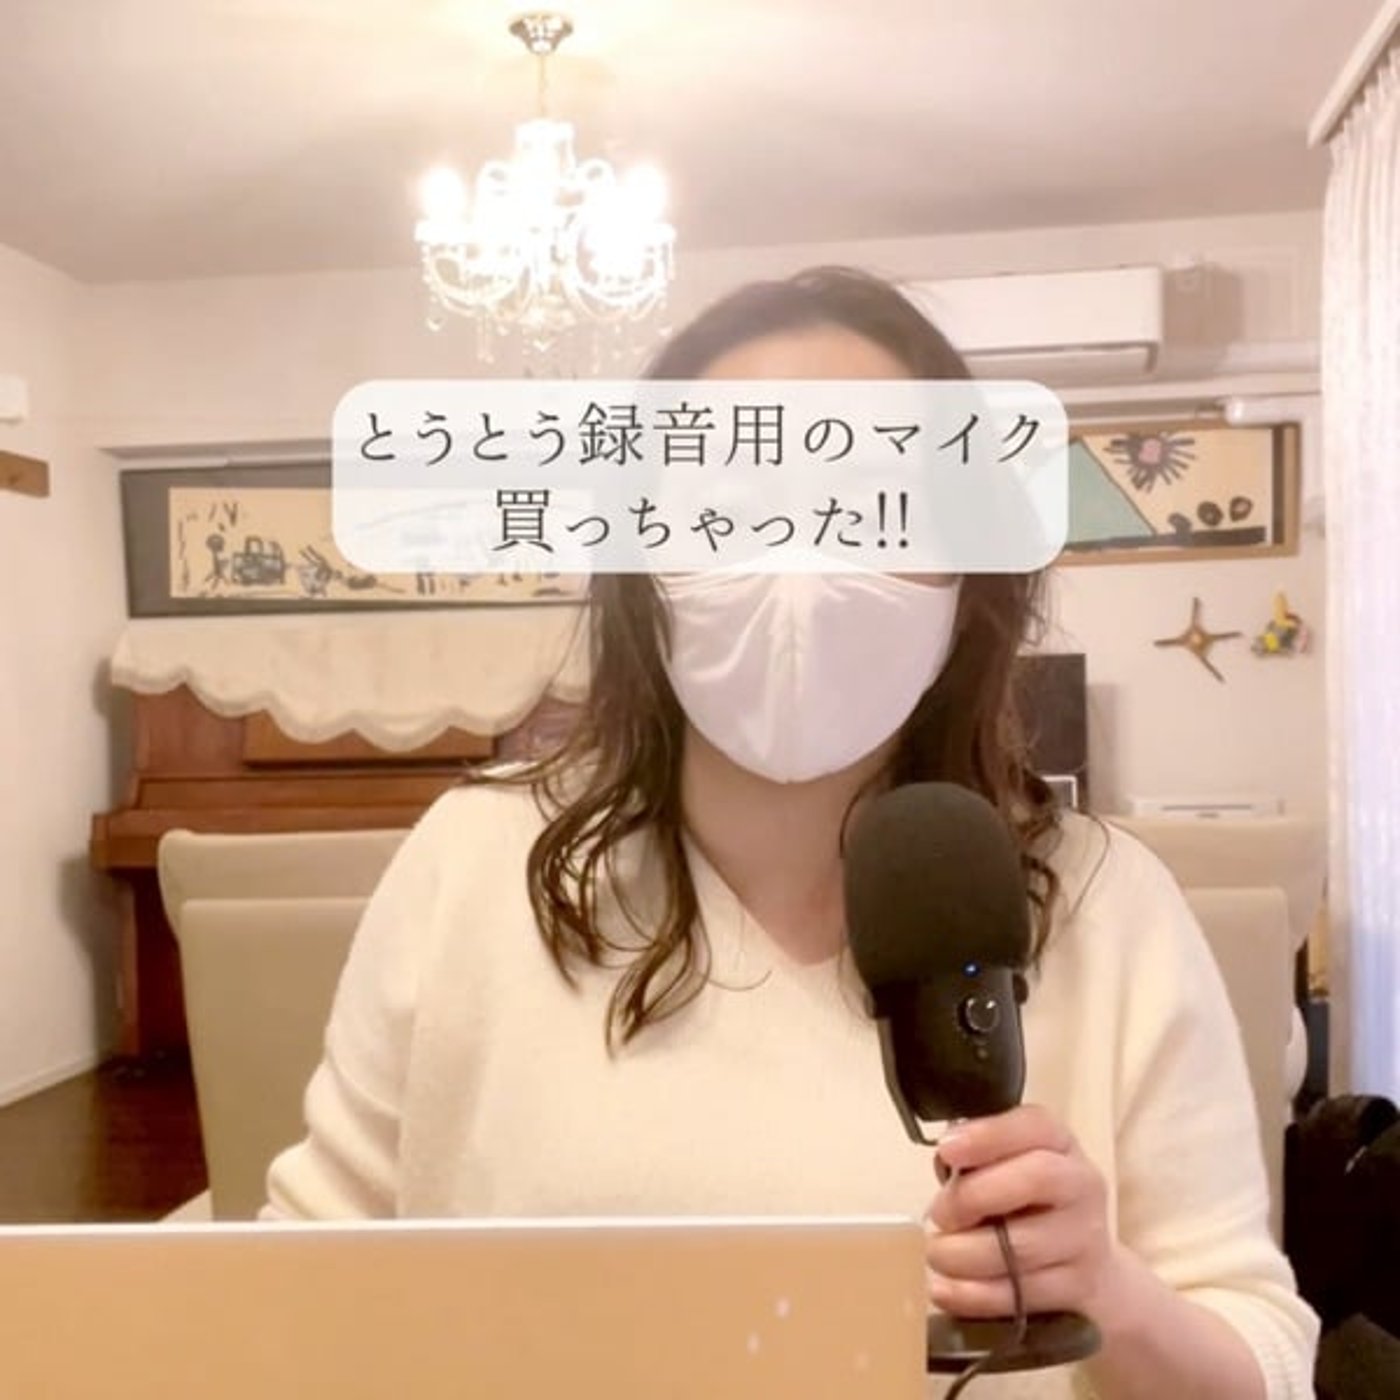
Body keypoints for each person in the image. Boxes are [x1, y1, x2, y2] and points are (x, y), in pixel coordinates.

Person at [264, 267, 1318, 1398]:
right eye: (725, 501)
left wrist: (1109, 1287)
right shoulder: (472, 864)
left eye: (872, 504)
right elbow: (295, 1291)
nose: (797, 562)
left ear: (968, 576)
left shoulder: (1112, 904)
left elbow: (1259, 1356)